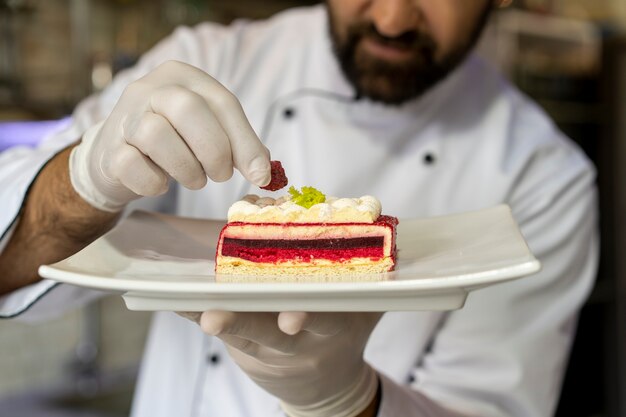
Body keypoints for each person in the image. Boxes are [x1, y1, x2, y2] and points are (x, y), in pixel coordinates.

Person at [0, 1, 598, 416]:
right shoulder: (207, 58)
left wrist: (342, 400)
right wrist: (88, 180)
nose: (392, 17)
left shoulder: (544, 174)